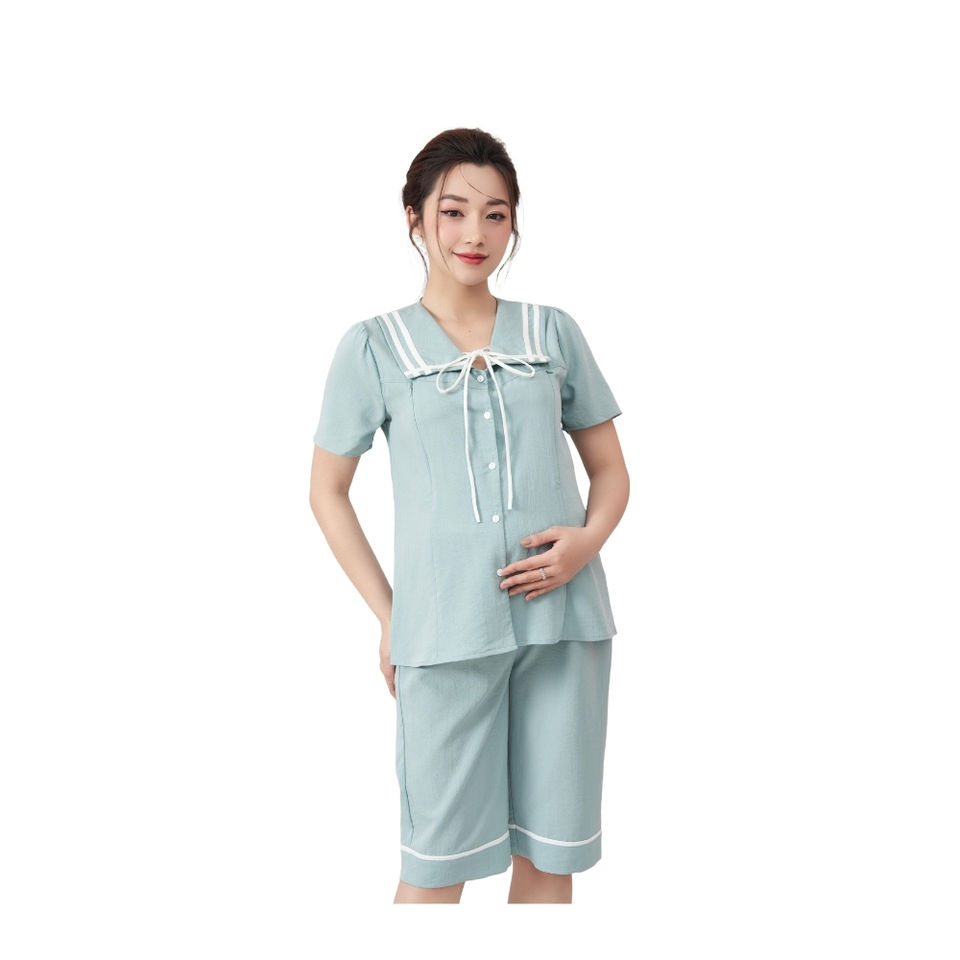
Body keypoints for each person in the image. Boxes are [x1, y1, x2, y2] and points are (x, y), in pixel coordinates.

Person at [308, 128, 629, 904]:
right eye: (453, 212)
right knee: (435, 869)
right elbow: (327, 491)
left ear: (513, 222)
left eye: (496, 214)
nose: (474, 234)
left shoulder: (551, 331)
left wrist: (585, 544)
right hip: (443, 632)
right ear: (414, 218)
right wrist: (391, 616)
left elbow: (611, 471)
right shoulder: (374, 347)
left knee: (549, 860)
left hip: (566, 626)